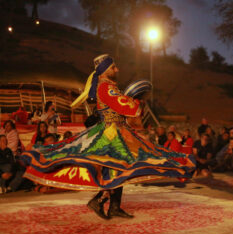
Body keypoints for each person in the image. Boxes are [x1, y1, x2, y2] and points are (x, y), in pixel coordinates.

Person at [20, 54, 195, 220]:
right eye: (114, 67)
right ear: (105, 70)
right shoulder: (105, 87)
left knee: (120, 167)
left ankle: (114, 206)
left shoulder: (109, 86)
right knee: (116, 165)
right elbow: (125, 106)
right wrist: (137, 100)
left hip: (118, 130)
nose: (117, 70)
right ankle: (99, 200)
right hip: (110, 133)